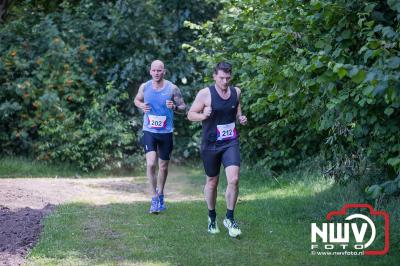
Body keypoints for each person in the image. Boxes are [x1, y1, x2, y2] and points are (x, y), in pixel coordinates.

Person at [187, 62, 247, 237]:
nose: (225, 81)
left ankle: (229, 217)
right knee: (212, 182)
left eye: (228, 78)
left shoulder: (236, 92)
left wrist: (241, 118)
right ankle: (212, 216)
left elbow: (237, 111)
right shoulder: (205, 94)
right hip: (211, 144)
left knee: (234, 179)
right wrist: (203, 115)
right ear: (214, 76)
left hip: (230, 142)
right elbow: (190, 114)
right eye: (221, 78)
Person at [134, 60, 186, 214]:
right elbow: (136, 100)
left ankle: (161, 193)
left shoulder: (172, 88)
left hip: (166, 133)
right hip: (149, 130)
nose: (157, 73)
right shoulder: (145, 87)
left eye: (159, 70)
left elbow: (183, 107)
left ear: (164, 71)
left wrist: (175, 107)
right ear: (150, 71)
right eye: (154, 70)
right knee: (150, 164)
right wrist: (141, 105)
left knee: (163, 166)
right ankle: (154, 197)